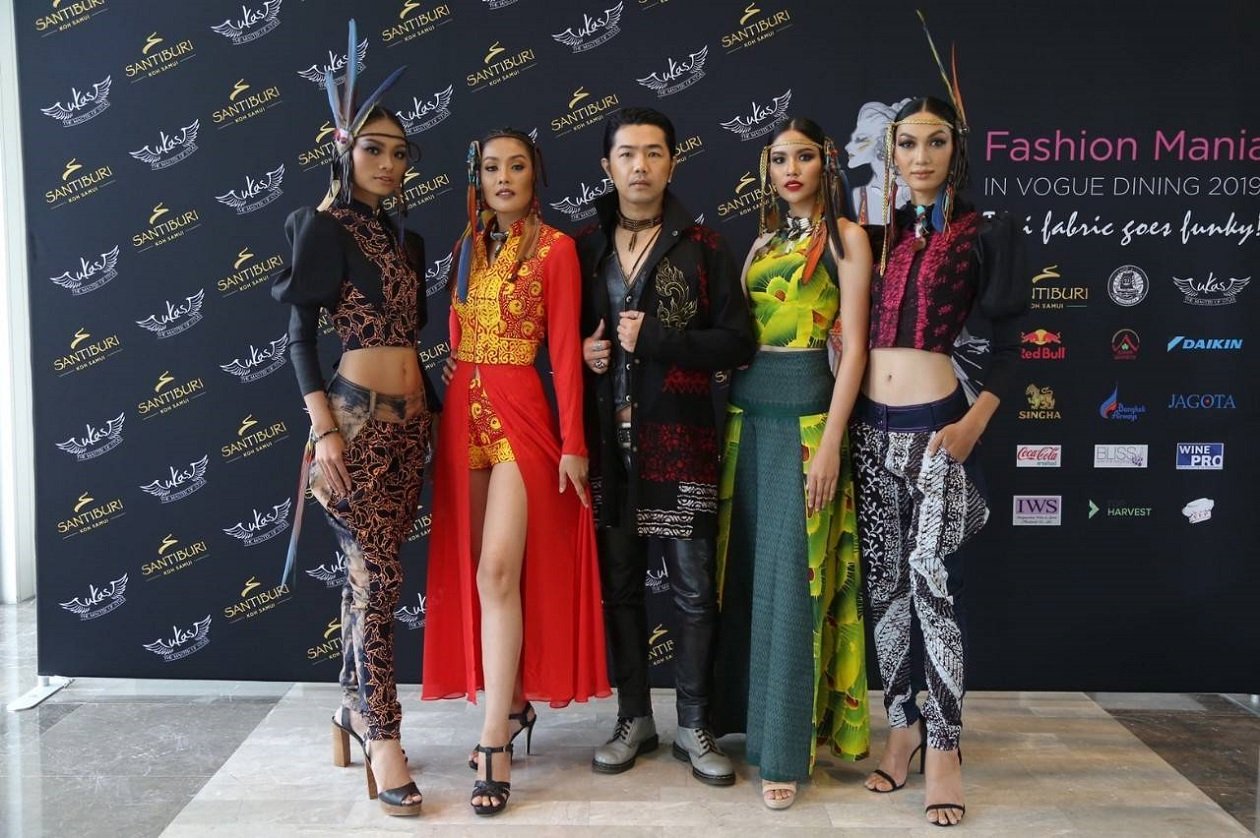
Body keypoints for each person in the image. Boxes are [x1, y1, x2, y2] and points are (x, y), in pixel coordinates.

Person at [851, 79, 1028, 827]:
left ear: (957, 150)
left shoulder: (987, 231)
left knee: (932, 585)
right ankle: (902, 729)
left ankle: (947, 748)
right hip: (870, 432)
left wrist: (973, 424)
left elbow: (1014, 343)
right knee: (885, 589)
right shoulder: (880, 237)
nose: (920, 155)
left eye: (935, 141)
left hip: (938, 432)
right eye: (907, 143)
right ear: (890, 154)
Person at [421, 128, 610, 816]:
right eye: (491, 167)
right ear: (477, 177)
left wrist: (573, 443)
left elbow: (562, 352)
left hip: (522, 413)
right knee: (477, 572)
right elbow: (454, 337)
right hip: (462, 416)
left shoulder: (555, 250)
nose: (503, 177)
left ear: (537, 176)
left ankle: (494, 740)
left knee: (497, 571)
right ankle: (514, 702)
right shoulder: (465, 247)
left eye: (517, 166)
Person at [272, 24, 430, 817]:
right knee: (378, 579)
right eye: (374, 149)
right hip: (355, 425)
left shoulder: (407, 239)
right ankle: (384, 735)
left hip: (412, 428)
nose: (389, 163)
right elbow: (298, 335)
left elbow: (413, 333)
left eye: (400, 152)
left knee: (372, 575)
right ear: (344, 150)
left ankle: (349, 708)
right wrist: (326, 431)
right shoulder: (322, 227)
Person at [576, 106, 756, 786]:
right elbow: (556, 338)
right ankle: (633, 719)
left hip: (682, 442)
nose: (640, 166)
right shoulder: (583, 247)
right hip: (608, 449)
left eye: (653, 153)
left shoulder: (705, 247)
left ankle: (695, 724)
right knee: (620, 591)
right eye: (627, 154)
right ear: (607, 166)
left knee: (692, 592)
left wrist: (659, 340)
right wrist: (584, 352)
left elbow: (738, 343)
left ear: (672, 163)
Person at [711, 117, 872, 810]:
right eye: (780, 159)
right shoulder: (762, 242)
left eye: (804, 157)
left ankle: (783, 751)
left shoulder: (847, 239)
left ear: (826, 164)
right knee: (747, 577)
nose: (791, 170)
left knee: (793, 583)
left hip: (808, 421)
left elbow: (856, 348)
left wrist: (831, 442)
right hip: (745, 420)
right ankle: (749, 726)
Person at [846, 99, 911, 224]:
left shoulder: (913, 193)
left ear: (882, 142)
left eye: (860, 139)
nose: (848, 146)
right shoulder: (859, 196)